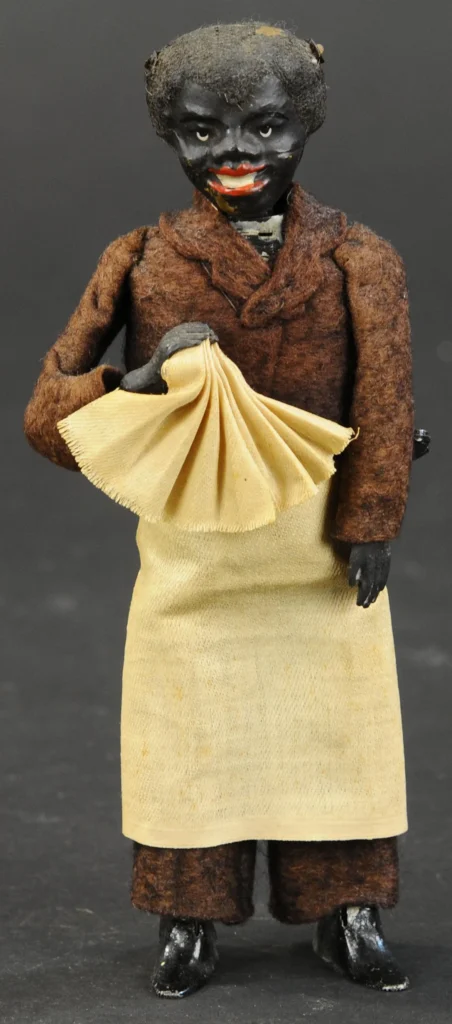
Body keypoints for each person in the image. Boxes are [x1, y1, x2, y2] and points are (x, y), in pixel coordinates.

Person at [24, 21, 417, 998]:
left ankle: (348, 908)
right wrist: (142, 381)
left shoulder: (358, 259)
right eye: (203, 131)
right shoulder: (141, 258)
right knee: (187, 733)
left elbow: (384, 399)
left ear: (307, 122)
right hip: (192, 554)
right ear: (169, 132)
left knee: (338, 728)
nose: (236, 152)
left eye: (265, 127)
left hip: (320, 550)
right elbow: (47, 417)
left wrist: (370, 521)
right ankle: (186, 918)